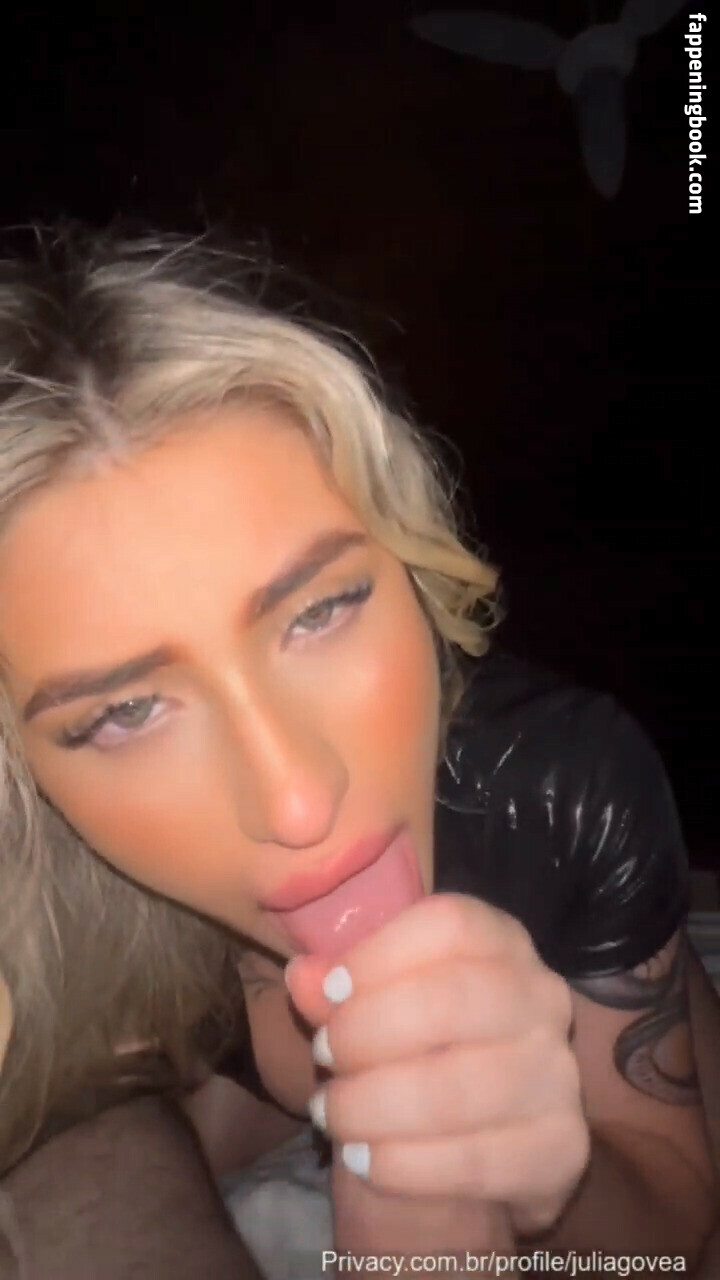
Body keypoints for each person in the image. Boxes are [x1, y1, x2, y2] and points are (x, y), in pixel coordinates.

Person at [0, 225, 717, 1277]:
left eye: (320, 610)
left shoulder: (561, 785)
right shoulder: (58, 899)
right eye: (128, 712)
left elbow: (675, 1224)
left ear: (410, 561)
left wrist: (543, 1181)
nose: (298, 802)